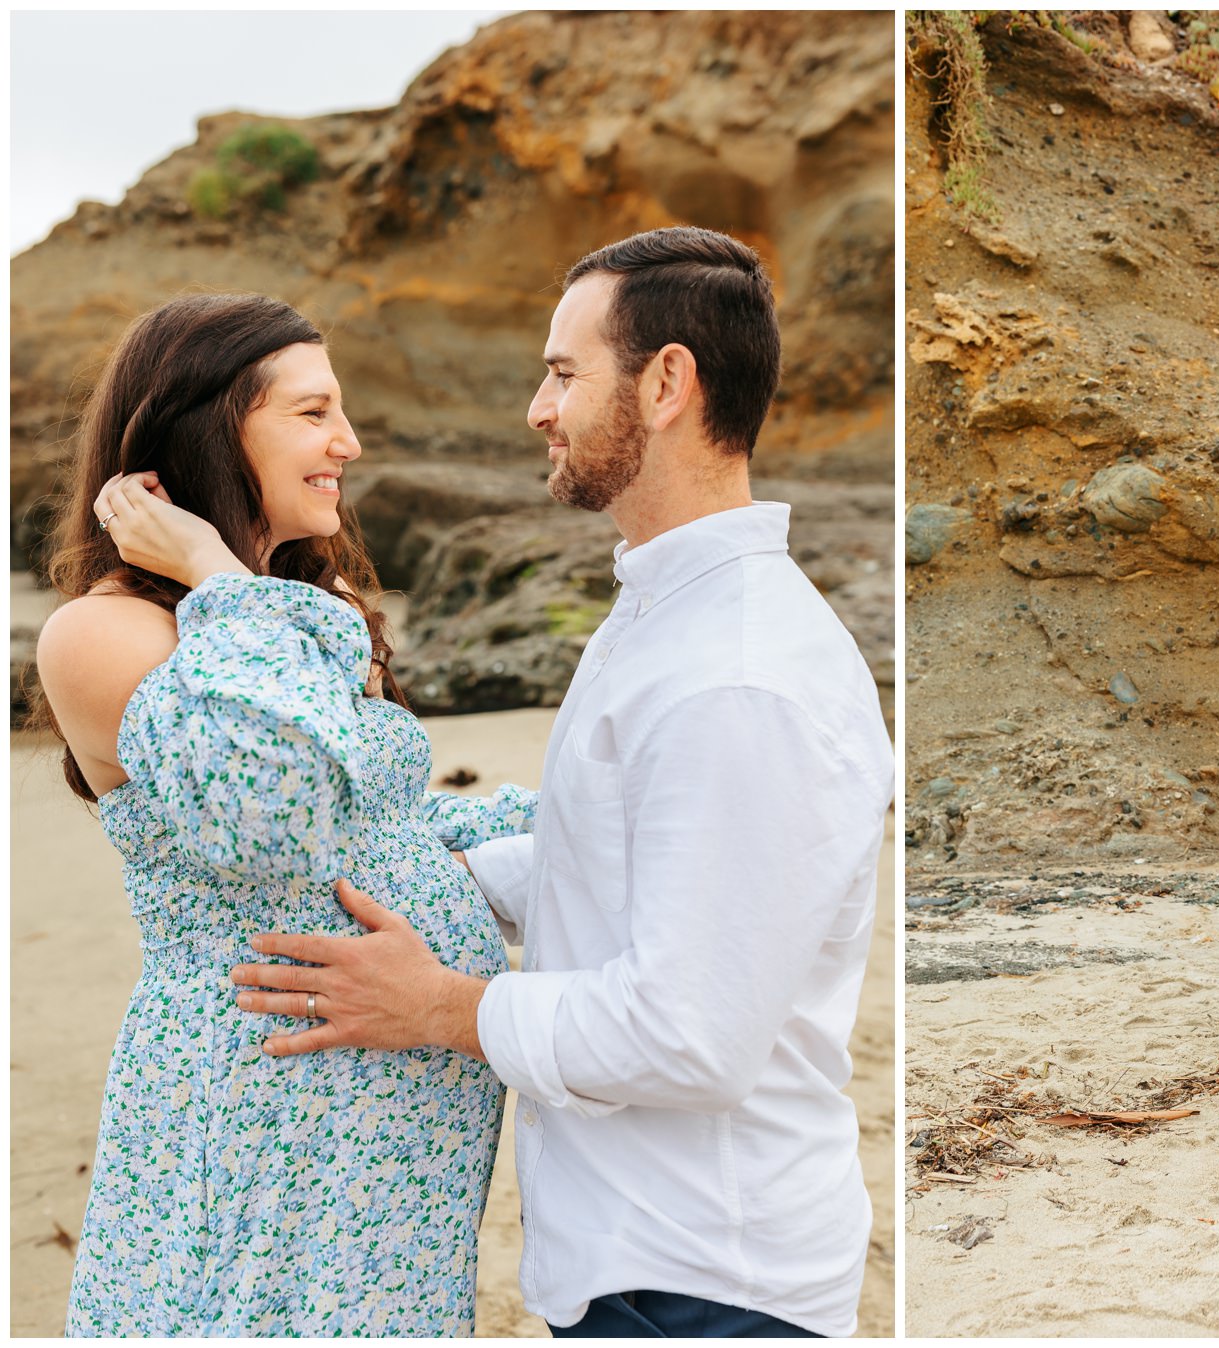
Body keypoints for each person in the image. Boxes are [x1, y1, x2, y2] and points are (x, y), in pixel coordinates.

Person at [231, 227, 895, 1338]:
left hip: (707, 1283)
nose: (540, 408)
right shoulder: (661, 616)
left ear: (669, 381)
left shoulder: (738, 673)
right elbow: (615, 867)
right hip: (642, 1264)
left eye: (563, 372)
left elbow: (689, 1031)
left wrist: (439, 1005)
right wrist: (434, 873)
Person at [33, 293, 534, 1335]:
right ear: (214, 426)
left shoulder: (300, 611)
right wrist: (218, 574)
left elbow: (375, 829)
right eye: (313, 414)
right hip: (265, 1103)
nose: (346, 443)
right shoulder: (103, 635)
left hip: (390, 1129)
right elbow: (277, 815)